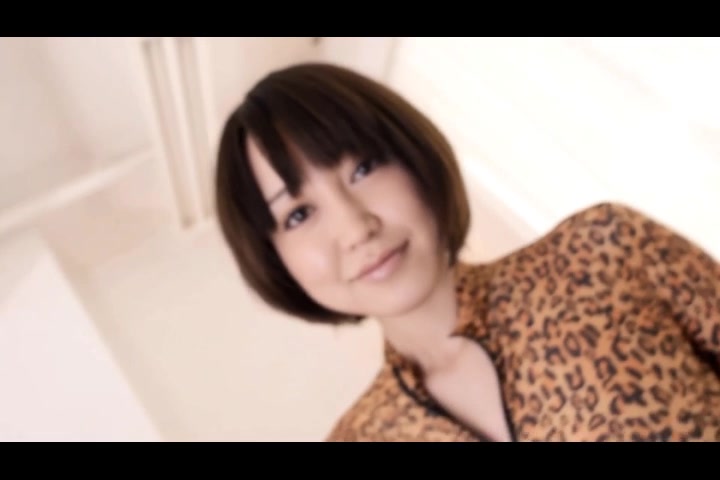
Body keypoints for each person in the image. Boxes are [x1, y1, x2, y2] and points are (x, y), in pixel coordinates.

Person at [214, 62, 720, 442]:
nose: (355, 228)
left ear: (412, 157)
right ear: (275, 260)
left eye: (363, 168)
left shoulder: (603, 252)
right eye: (299, 214)